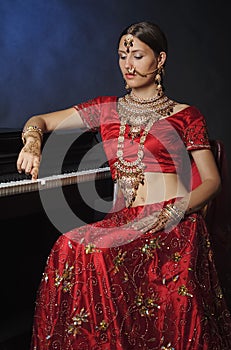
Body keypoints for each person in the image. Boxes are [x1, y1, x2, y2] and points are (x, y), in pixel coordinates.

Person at [16, 21, 231, 350]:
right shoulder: (106, 110)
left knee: (89, 250)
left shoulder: (186, 115)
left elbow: (212, 180)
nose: (128, 65)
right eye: (122, 56)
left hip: (174, 223)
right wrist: (32, 143)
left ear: (159, 60)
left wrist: (171, 211)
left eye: (138, 56)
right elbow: (40, 121)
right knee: (68, 246)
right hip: (128, 220)